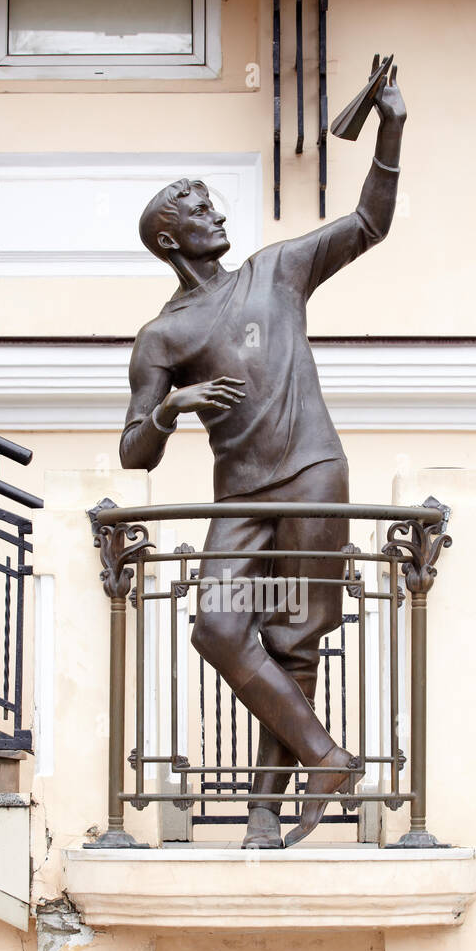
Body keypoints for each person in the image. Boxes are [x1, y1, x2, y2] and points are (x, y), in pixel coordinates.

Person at [120, 57, 406, 847]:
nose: (216, 215)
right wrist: (172, 406)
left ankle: (263, 817)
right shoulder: (162, 337)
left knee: (293, 641)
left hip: (314, 471)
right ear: (169, 238)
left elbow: (368, 224)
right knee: (217, 624)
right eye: (197, 209)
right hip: (240, 495)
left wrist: (391, 125)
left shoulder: (276, 270)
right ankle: (325, 756)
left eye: (211, 202)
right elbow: (134, 452)